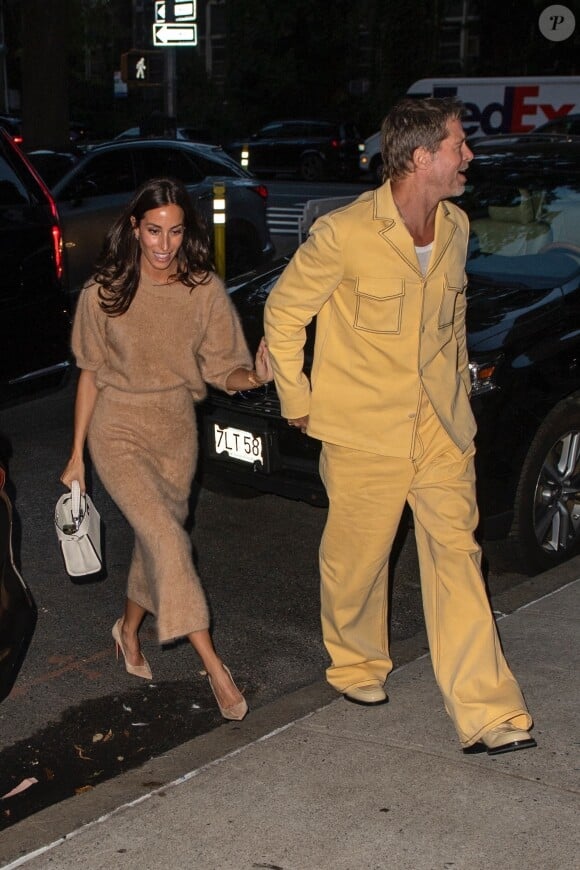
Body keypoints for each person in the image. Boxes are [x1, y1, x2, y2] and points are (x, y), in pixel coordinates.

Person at [264, 97, 536, 755]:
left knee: (458, 561)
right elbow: (283, 313)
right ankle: (357, 662)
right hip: (364, 431)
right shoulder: (346, 234)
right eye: (457, 144)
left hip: (439, 429)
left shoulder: (457, 228)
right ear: (421, 158)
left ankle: (489, 711)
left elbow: (450, 330)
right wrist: (297, 398)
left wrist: (460, 407)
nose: (468, 154)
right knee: (357, 562)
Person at [61, 177, 273, 721]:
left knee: (160, 544)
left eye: (175, 231)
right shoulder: (102, 293)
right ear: (134, 228)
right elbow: (88, 375)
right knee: (166, 541)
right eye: (154, 230)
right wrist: (76, 455)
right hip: (118, 428)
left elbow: (224, 366)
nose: (164, 243)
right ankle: (215, 667)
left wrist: (255, 375)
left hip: (177, 429)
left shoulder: (202, 290)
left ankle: (127, 629)